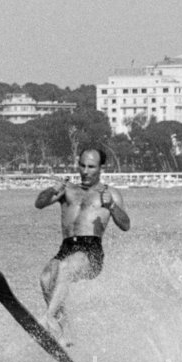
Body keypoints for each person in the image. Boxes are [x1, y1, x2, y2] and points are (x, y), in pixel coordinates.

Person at [34, 148, 130, 345]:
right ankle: (65, 331)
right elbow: (39, 203)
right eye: (82, 166)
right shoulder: (67, 191)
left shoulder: (110, 194)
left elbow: (126, 225)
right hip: (67, 247)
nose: (85, 171)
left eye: (91, 167)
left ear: (101, 168)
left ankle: (48, 317)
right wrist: (52, 190)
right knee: (45, 278)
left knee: (66, 268)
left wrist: (111, 206)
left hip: (90, 250)